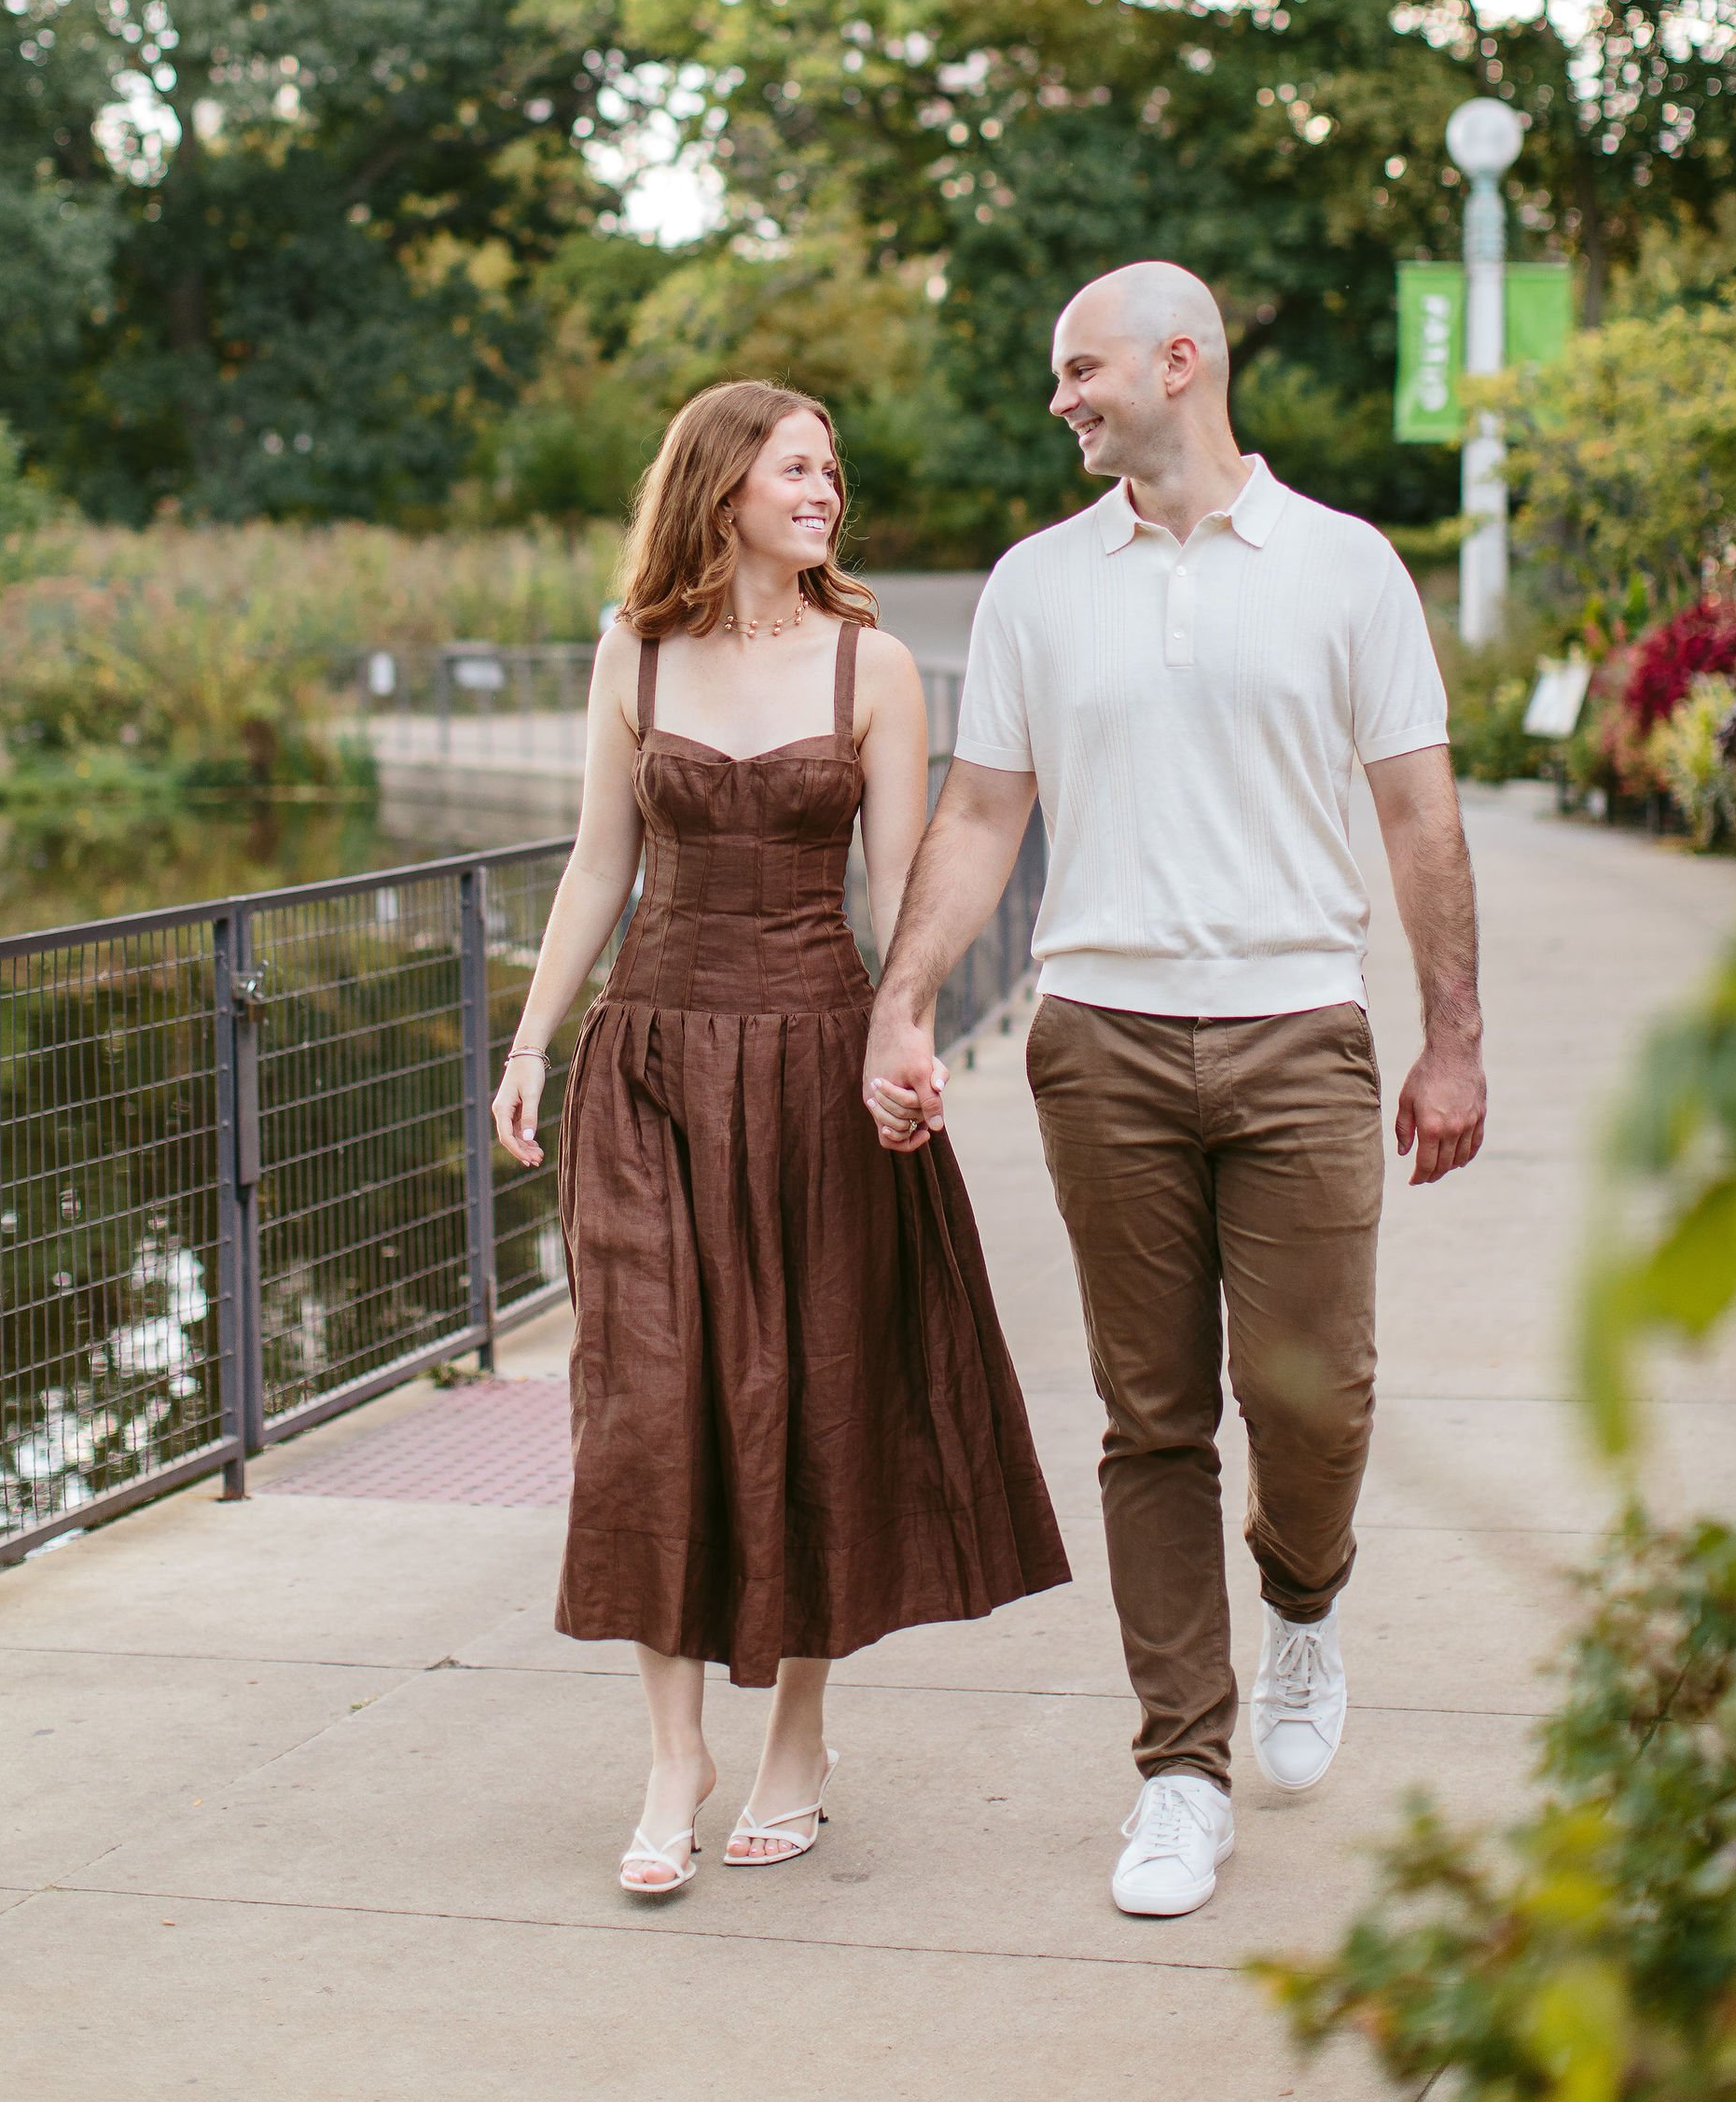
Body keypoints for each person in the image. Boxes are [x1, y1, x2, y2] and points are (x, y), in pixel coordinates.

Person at [864, 262, 1486, 1921]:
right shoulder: (1035, 586)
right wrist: (901, 1002)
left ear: (1180, 362)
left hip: (1299, 1031)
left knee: (1316, 1400)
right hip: (1102, 1042)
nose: (1060, 399)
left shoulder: (1344, 567)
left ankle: (1305, 1599)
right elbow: (982, 814)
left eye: (1082, 370)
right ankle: (1180, 1774)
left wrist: (1454, 1036)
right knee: (1152, 1420)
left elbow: (1418, 815)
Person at [493, 379, 1066, 1899]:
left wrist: (907, 1045)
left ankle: (797, 1743)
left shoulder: (873, 668)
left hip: (817, 1065)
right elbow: (599, 866)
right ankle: (673, 1755)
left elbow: (901, 893)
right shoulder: (635, 651)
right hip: (650, 1065)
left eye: (832, 471)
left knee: (816, 1395)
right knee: (647, 1404)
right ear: (723, 485)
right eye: (797, 468)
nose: (825, 492)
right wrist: (532, 1043)